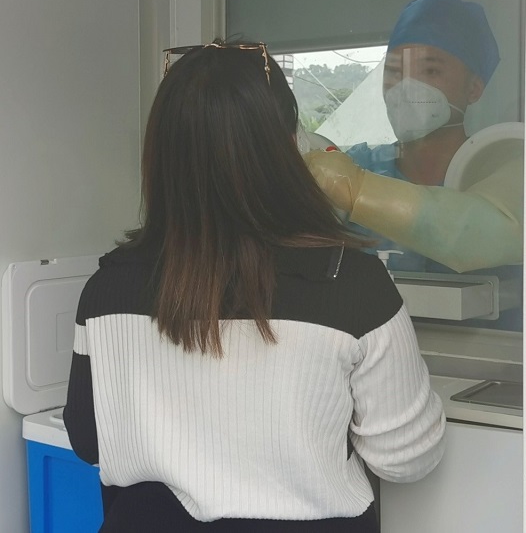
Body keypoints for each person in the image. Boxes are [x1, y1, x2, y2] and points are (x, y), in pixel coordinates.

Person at [63, 40, 445, 532]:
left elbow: (88, 439)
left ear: (161, 154)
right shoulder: (352, 285)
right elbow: (407, 458)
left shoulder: (107, 288)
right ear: (289, 147)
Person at [306, 0, 523, 274]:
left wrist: (357, 190)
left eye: (430, 70)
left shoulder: (505, 170)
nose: (406, 85)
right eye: (394, 71)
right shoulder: (357, 165)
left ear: (473, 88)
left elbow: (483, 233)